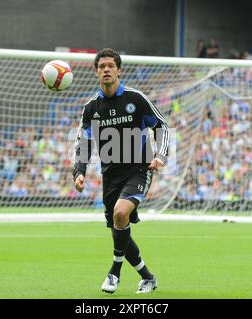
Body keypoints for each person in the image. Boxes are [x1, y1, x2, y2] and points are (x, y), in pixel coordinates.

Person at [73, 48, 170, 294]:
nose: (106, 69)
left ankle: (113, 273)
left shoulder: (135, 99)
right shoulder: (91, 107)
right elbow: (83, 143)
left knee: (120, 212)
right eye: (101, 66)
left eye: (110, 65)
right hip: (110, 175)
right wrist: (79, 172)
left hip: (139, 168)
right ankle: (148, 277)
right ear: (96, 72)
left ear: (118, 70)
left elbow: (162, 126)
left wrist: (160, 155)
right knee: (120, 225)